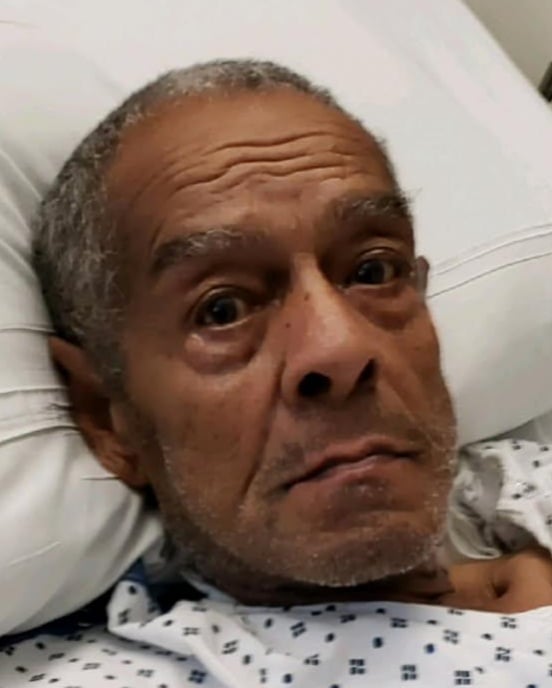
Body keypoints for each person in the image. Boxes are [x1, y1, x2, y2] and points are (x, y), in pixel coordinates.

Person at [2, 59, 552, 687]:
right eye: (222, 310)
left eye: (373, 272)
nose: (341, 348)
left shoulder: (517, 487)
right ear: (109, 417)